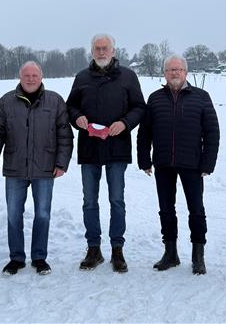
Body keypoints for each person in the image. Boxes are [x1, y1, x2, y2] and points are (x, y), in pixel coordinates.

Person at [0, 62, 74, 276]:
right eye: (27, 75)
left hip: (45, 168)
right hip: (15, 168)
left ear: (42, 76)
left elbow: (65, 135)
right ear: (20, 77)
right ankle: (16, 258)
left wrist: (61, 163)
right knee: (14, 214)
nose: (31, 79)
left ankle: (39, 258)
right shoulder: (7, 101)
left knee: (43, 214)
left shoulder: (54, 101)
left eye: (35, 75)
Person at [66, 33, 146, 273]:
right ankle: (93, 248)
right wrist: (76, 117)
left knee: (116, 200)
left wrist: (125, 123)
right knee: (90, 201)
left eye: (105, 48)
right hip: (90, 148)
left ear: (113, 51)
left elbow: (139, 107)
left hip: (117, 147)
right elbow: (71, 106)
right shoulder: (82, 77)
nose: (101, 52)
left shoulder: (128, 77)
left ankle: (117, 249)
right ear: (92, 52)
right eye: (97, 49)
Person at [137, 54, 219, 275]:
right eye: (170, 70)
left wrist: (207, 162)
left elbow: (212, 132)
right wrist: (144, 159)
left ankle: (198, 255)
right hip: (163, 162)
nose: (174, 73)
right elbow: (145, 132)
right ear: (164, 73)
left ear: (186, 72)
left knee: (196, 209)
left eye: (178, 69)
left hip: (192, 163)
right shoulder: (155, 98)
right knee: (166, 209)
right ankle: (170, 253)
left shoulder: (201, 97)